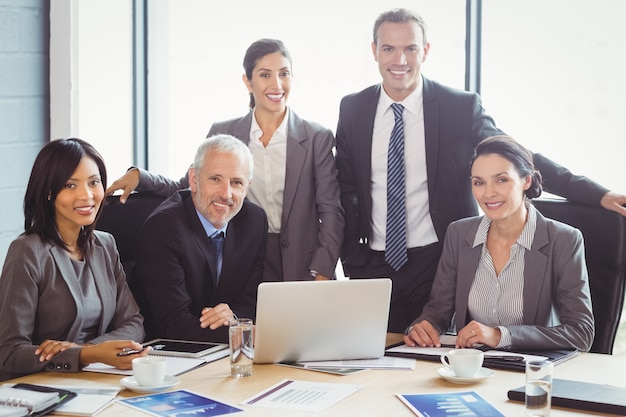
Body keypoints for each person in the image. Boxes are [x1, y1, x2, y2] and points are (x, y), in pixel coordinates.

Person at [335, 8, 626, 333]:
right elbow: (345, 190)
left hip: (438, 262)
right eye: (389, 48)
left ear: (425, 51)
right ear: (374, 50)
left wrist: (597, 194)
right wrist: (350, 257)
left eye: (410, 48)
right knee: (370, 363)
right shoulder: (353, 108)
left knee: (429, 360)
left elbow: (518, 158)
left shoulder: (459, 107)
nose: (399, 59)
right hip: (370, 266)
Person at [107, 39, 343, 283]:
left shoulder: (317, 137)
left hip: (305, 266)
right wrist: (140, 177)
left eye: (284, 74)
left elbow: (331, 211)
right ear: (248, 82)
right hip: (246, 259)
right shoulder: (225, 133)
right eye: (265, 75)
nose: (277, 84)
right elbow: (190, 186)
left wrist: (323, 271)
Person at [403, 135, 594, 351]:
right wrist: (426, 327)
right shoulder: (459, 233)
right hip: (468, 368)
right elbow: (438, 311)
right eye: (479, 182)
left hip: (528, 372)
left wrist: (499, 336)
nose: (488, 193)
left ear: (526, 181)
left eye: (501, 180)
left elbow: (581, 333)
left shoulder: (563, 239)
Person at [0, 138, 147, 381]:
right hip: (39, 387)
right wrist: (85, 356)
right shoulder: (26, 252)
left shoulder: (105, 245)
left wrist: (89, 351)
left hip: (96, 380)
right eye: (70, 185)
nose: (86, 195)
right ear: (49, 191)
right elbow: (9, 353)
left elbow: (134, 322)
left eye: (94, 182)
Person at [131, 134, 268, 343]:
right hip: (167, 354)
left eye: (236, 182)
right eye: (215, 179)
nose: (226, 194)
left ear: (247, 187)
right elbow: (173, 323)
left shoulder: (254, 222)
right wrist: (243, 333)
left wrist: (233, 318)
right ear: (194, 180)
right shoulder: (163, 227)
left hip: (221, 352)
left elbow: (249, 303)